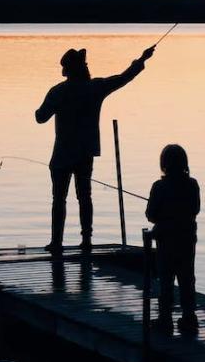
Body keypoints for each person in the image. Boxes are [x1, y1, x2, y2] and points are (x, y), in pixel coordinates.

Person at [36, 46, 156, 253]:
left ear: (68, 70)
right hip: (85, 153)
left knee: (59, 199)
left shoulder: (58, 91)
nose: (62, 71)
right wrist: (142, 59)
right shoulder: (96, 88)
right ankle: (87, 240)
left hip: (62, 155)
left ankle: (57, 242)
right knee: (85, 197)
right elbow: (125, 77)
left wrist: (45, 107)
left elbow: (40, 117)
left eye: (63, 67)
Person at [145, 144, 201, 334]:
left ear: (164, 164)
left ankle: (165, 318)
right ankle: (189, 317)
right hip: (187, 241)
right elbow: (195, 209)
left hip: (166, 242)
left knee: (166, 280)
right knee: (187, 279)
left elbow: (150, 215)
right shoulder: (192, 184)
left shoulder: (159, 187)